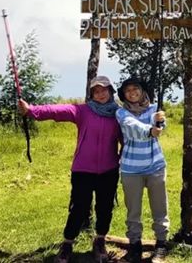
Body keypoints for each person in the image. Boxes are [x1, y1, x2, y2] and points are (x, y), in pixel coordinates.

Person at [18, 75, 122, 263]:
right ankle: (67, 244)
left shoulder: (119, 114)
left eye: (104, 90)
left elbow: (127, 139)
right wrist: (31, 110)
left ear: (111, 91)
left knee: (105, 208)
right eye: (96, 91)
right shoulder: (82, 111)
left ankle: (100, 241)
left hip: (109, 170)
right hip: (83, 170)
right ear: (91, 95)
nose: (100, 94)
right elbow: (57, 111)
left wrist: (124, 156)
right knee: (79, 208)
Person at [115, 78, 169, 263]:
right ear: (124, 95)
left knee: (160, 208)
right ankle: (135, 247)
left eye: (135, 88)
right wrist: (150, 130)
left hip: (155, 166)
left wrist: (160, 122)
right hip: (131, 169)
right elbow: (132, 127)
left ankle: (161, 246)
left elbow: (161, 126)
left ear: (142, 91)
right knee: (133, 212)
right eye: (127, 90)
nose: (132, 92)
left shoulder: (154, 109)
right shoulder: (121, 112)